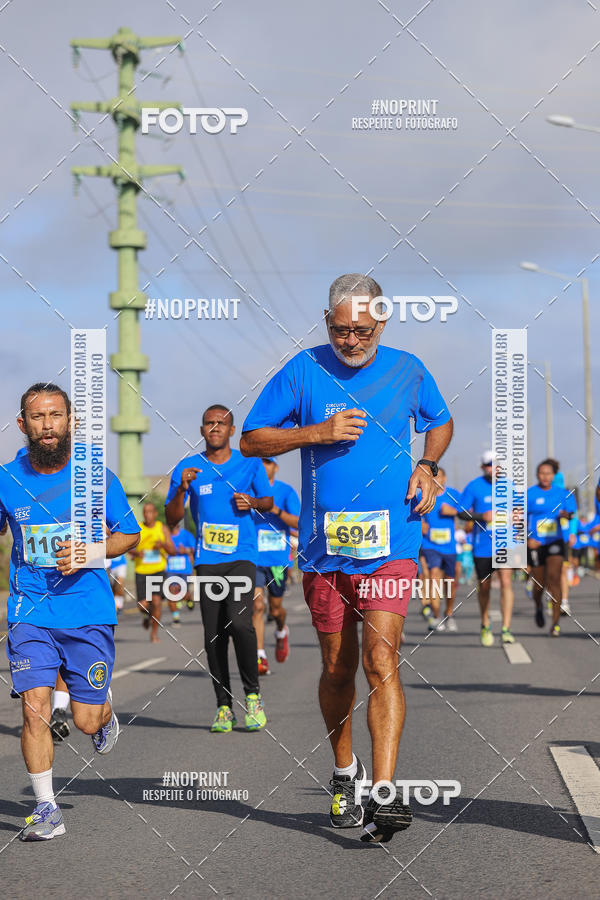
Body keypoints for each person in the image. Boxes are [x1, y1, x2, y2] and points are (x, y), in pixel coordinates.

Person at [240, 273, 453, 843]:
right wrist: (316, 432)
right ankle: (344, 773)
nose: (351, 340)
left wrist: (428, 465)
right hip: (323, 548)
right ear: (326, 323)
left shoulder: (408, 370)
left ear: (381, 321)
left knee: (381, 661)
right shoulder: (304, 370)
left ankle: (383, 791)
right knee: (337, 667)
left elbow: (439, 421)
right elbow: (251, 440)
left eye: (361, 330)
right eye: (340, 330)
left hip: (391, 544)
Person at [1, 383, 139, 840]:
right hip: (30, 611)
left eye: (55, 415)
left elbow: (130, 534)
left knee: (84, 720)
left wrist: (90, 552)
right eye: (37, 417)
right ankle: (46, 809)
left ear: (70, 421)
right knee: (35, 709)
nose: (47, 425)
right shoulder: (6, 478)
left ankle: (103, 714)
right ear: (22, 424)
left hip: (87, 611)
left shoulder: (94, 474)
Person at [165, 405, 273, 733]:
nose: (215, 427)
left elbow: (267, 502)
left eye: (221, 423)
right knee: (214, 635)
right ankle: (224, 706)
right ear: (202, 430)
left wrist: (252, 502)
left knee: (240, 624)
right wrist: (181, 489)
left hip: (242, 556)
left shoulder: (250, 463)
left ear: (231, 430)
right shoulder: (188, 469)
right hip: (207, 561)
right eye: (209, 423)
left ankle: (253, 697)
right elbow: (172, 519)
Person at [458, 451, 516, 646]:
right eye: (489, 465)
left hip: (506, 543)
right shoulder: (474, 487)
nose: (493, 468)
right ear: (483, 467)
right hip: (482, 546)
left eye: (496, 464)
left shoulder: (510, 486)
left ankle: (506, 628)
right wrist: (481, 516)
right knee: (484, 586)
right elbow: (461, 513)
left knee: (506, 581)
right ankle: (485, 623)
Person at [253, 457, 300, 675]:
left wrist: (275, 510)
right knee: (257, 606)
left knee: (276, 609)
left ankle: (281, 630)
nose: (264, 466)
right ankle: (260, 656)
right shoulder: (248, 491)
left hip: (277, 560)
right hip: (254, 558)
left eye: (268, 462)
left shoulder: (286, 491)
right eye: (261, 462)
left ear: (276, 467)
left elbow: (299, 523)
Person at [526, 460, 577, 636]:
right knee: (539, 584)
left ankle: (555, 623)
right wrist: (527, 539)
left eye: (548, 473)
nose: (545, 476)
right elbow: (518, 519)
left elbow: (571, 514)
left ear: (553, 475)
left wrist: (565, 515)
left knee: (554, 579)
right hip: (536, 544)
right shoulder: (530, 494)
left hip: (555, 541)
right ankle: (538, 606)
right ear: (537, 475)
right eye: (541, 473)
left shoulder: (563, 494)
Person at [130, 503, 176, 642]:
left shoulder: (162, 528)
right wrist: (137, 553)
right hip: (141, 571)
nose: (147, 514)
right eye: (145, 511)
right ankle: (147, 615)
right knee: (142, 605)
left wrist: (163, 545)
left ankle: (154, 633)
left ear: (155, 513)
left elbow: (173, 551)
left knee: (156, 602)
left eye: (150, 511)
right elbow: (128, 548)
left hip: (158, 571)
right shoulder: (138, 528)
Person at [420, 468, 459, 632]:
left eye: (439, 476)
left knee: (450, 581)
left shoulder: (453, 494)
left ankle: (449, 612)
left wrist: (453, 511)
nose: (436, 479)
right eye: (433, 476)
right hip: (430, 545)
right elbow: (412, 514)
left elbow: (467, 511)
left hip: (449, 547)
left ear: (444, 479)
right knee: (434, 574)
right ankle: (436, 616)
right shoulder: (422, 495)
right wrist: (420, 524)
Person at [165, 520, 196, 616]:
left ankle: (188, 598)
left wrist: (186, 550)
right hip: (170, 569)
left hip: (184, 569)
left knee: (182, 592)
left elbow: (194, 549)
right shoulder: (166, 535)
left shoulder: (186, 535)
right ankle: (176, 617)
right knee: (171, 591)